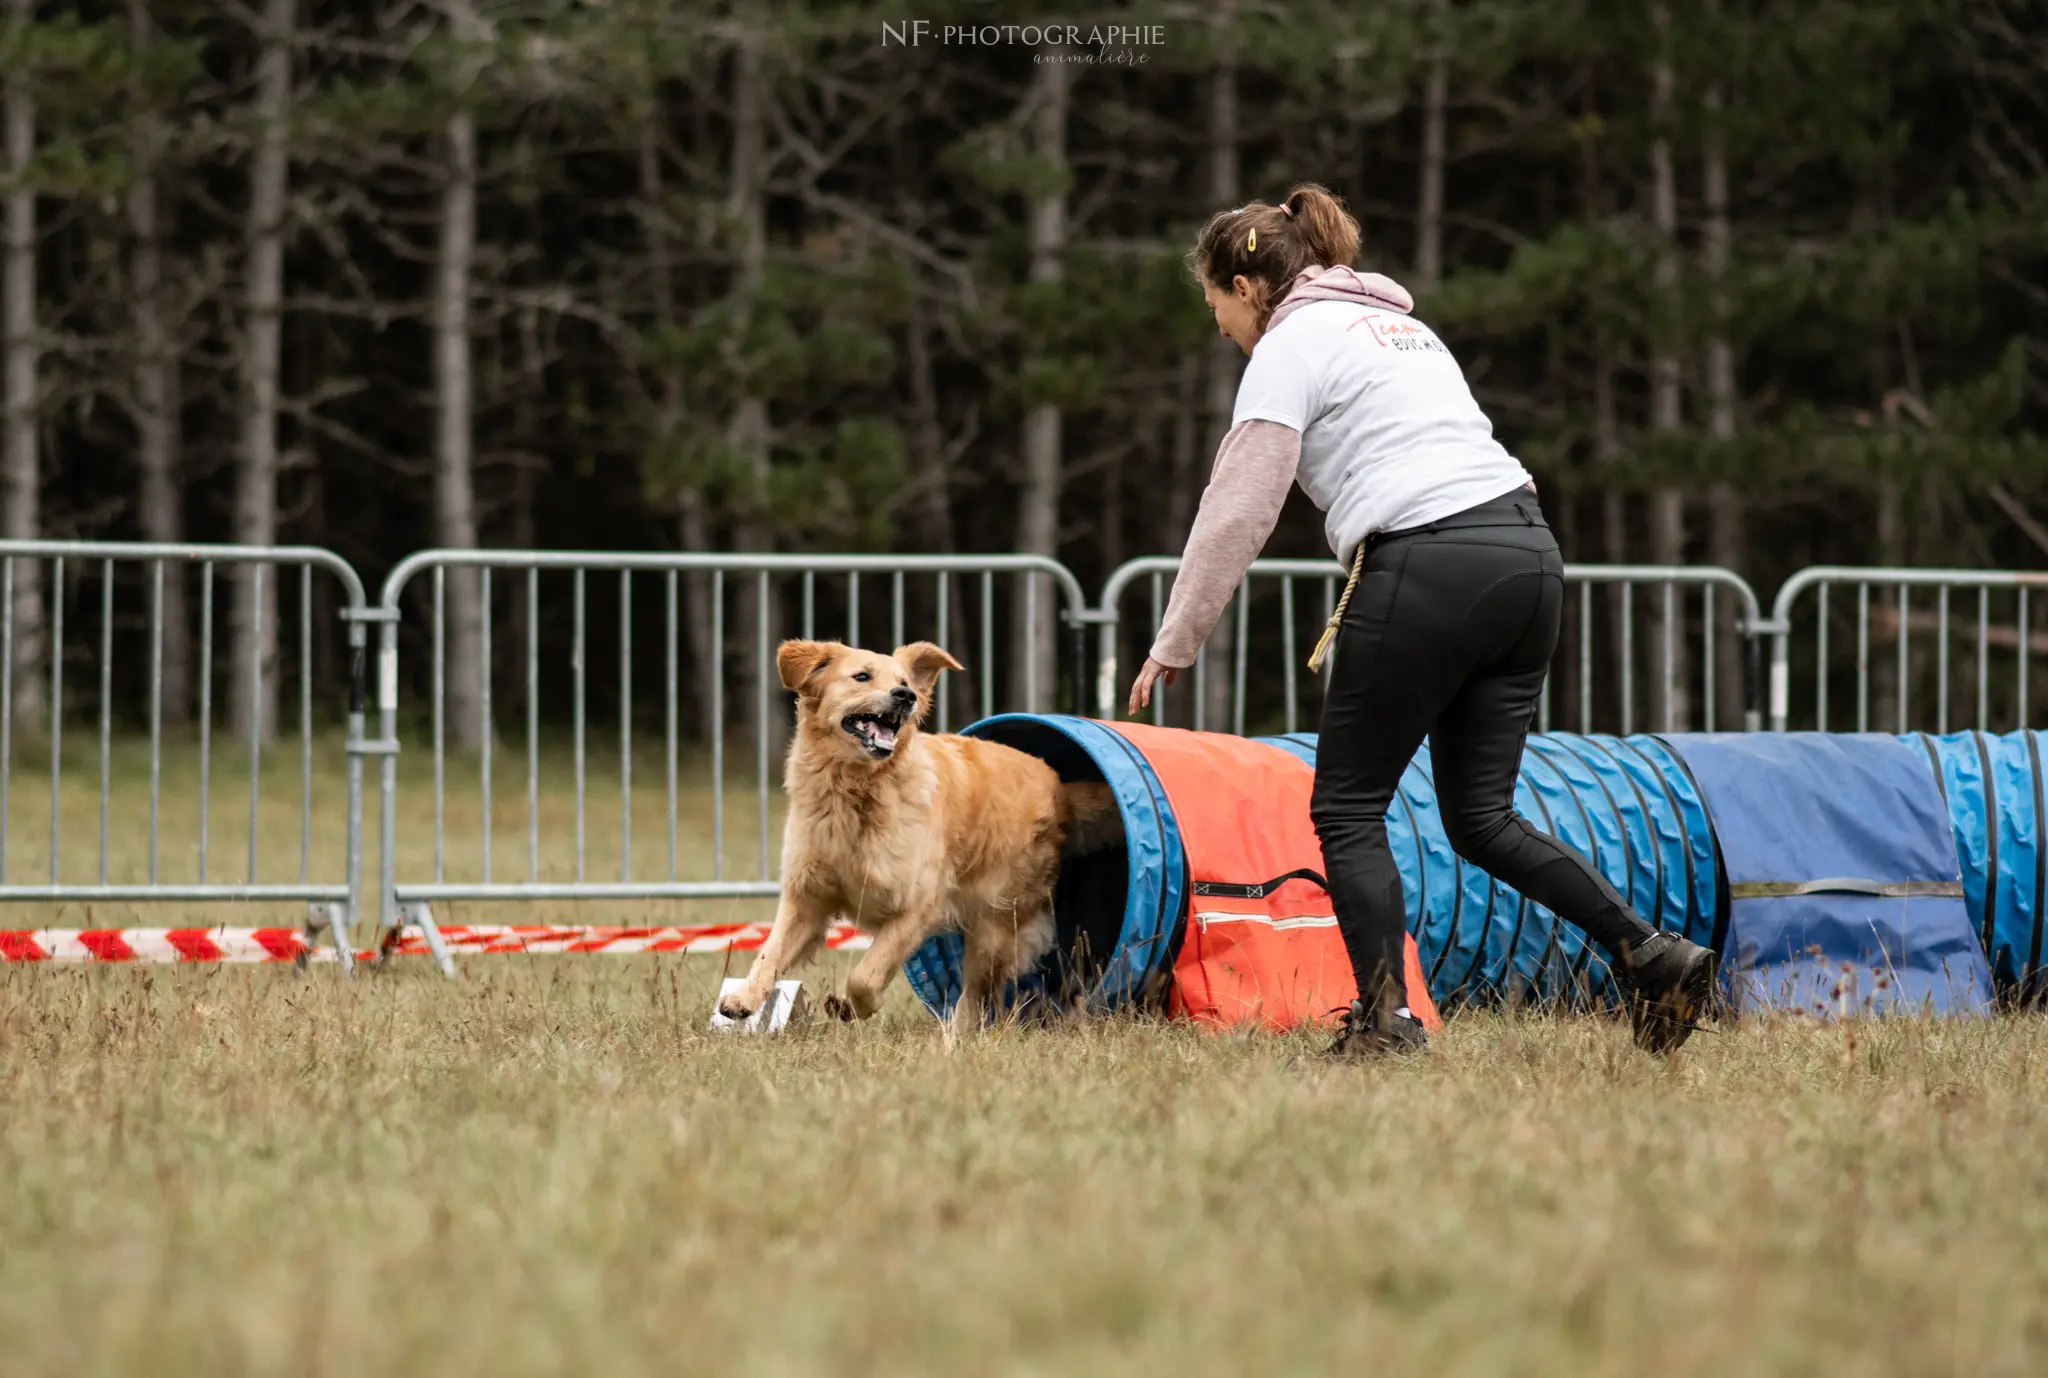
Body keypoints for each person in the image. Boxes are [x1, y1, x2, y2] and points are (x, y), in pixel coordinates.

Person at [1127, 183, 1718, 1060]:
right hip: (1528, 555)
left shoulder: (1289, 343)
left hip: (1428, 561)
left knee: (1347, 807)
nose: (1219, 328)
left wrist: (1176, 637)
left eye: (1215, 304)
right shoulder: (1403, 328)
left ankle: (1384, 1021)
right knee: (1482, 818)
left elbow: (1239, 505)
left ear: (1247, 288)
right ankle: (1654, 952)